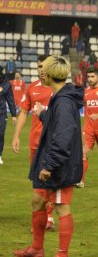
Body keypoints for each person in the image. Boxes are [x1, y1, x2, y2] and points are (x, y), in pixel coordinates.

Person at [13, 55, 83, 257]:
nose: (41, 72)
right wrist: (44, 114)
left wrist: (49, 165)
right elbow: (59, 127)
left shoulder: (63, 101)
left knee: (62, 207)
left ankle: (62, 254)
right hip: (52, 160)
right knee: (37, 201)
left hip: (60, 165)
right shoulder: (58, 96)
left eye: (44, 69)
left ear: (51, 74)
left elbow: (63, 136)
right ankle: (37, 249)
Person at [12, 55, 56, 230]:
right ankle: (42, 218)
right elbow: (23, 112)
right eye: (39, 66)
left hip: (54, 143)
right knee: (38, 182)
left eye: (44, 66)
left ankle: (50, 217)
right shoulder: (31, 88)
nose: (41, 69)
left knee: (51, 180)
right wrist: (16, 135)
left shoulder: (59, 88)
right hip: (36, 143)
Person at [0, 69, 17, 165]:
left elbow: (10, 100)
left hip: (2, 114)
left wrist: (14, 115)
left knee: (1, 134)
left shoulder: (7, 85)